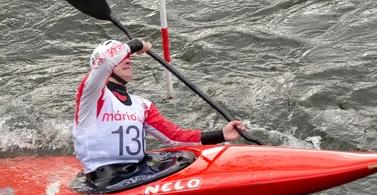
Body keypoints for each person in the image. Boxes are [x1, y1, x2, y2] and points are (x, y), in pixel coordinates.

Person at [72, 39, 247, 185]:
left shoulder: (142, 105)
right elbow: (104, 62)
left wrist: (221, 134)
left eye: (127, 57)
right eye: (121, 58)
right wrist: (137, 45)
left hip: (138, 170)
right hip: (104, 179)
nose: (127, 59)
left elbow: (175, 137)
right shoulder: (91, 97)